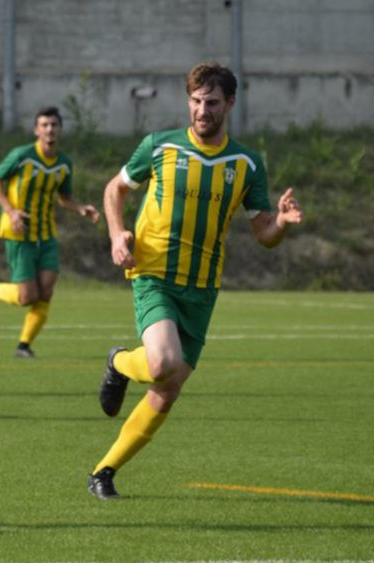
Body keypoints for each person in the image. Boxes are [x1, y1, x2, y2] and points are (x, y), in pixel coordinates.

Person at [87, 61, 303, 500]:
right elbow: (115, 190)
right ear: (189, 102)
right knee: (162, 363)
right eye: (197, 102)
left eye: (212, 103)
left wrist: (280, 221)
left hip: (202, 290)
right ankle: (120, 364)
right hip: (154, 275)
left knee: (167, 390)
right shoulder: (160, 147)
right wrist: (116, 234)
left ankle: (104, 470)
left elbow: (263, 234)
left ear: (230, 104)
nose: (203, 111)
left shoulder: (245, 163)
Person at [0, 107, 100, 358]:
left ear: (60, 129)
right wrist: (10, 211)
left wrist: (79, 208)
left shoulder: (64, 163)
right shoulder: (22, 155)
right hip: (18, 233)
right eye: (44, 125)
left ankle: (24, 345)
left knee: (46, 291)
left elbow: (65, 197)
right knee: (26, 297)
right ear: (36, 130)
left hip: (46, 235)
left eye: (54, 124)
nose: (49, 129)